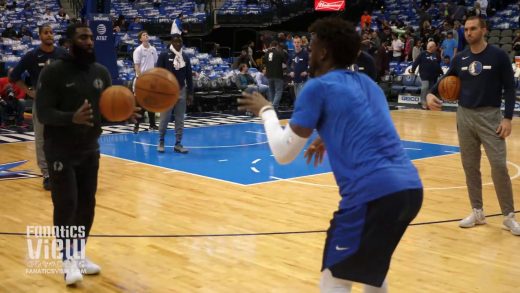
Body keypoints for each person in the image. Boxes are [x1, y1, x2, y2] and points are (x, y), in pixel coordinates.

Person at [238, 17, 423, 293]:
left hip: (372, 194)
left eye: (312, 45)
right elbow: (367, 120)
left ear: (323, 52)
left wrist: (266, 111)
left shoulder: (317, 87)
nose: (309, 51)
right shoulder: (367, 84)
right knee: (371, 273)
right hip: (409, 190)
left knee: (335, 277)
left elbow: (283, 153)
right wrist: (326, 135)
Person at [36, 23, 139, 286]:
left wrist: (123, 113)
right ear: (69, 41)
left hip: (89, 148)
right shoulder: (54, 72)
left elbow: (105, 111)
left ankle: (79, 254)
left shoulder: (101, 72)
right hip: (60, 149)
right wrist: (72, 117)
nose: (90, 41)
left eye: (91, 37)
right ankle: (67, 260)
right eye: (83, 37)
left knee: (87, 205)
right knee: (66, 204)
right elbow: (43, 113)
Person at [427, 16, 520, 236]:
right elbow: (446, 79)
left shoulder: (498, 56)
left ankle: (508, 216)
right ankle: (477, 211)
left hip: (491, 117)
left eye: (473, 28)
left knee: (498, 166)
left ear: (484, 30)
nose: (468, 32)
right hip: (464, 116)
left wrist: (507, 118)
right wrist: (431, 93)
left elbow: (509, 88)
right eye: (466, 29)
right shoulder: (460, 58)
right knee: (470, 167)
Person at [9, 24, 67, 190]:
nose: (49, 35)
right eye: (46, 33)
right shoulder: (32, 56)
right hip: (42, 103)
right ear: (40, 35)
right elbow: (13, 76)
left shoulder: (62, 54)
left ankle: (62, 171)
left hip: (61, 103)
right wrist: (28, 91)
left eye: (51, 32)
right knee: (42, 139)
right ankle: (47, 174)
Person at [156, 34, 193, 154]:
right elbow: (158, 73)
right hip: (167, 92)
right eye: (176, 41)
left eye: (180, 41)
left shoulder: (185, 57)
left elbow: (189, 77)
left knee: (180, 119)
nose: (178, 43)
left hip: (181, 90)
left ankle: (178, 143)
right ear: (171, 42)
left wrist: (190, 93)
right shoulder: (164, 55)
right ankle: (161, 141)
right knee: (164, 118)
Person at [132, 30, 158, 133]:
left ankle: (152, 125)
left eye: (147, 34)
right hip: (141, 80)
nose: (146, 35)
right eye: (144, 35)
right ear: (140, 39)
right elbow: (137, 66)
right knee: (140, 105)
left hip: (151, 80)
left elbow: (155, 64)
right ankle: (136, 126)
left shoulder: (153, 49)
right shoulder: (138, 50)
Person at [409, 41, 443, 110]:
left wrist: (441, 72)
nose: (436, 47)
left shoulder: (436, 54)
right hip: (424, 74)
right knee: (425, 87)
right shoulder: (422, 54)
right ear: (431, 47)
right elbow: (416, 62)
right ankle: (423, 102)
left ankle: (429, 103)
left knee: (431, 89)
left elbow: (437, 65)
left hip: (434, 75)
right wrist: (412, 70)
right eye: (434, 46)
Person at [263, 40, 287, 110]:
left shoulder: (266, 53)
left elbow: (265, 63)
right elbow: (285, 61)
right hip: (278, 75)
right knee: (278, 91)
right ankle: (274, 106)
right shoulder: (279, 52)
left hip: (269, 75)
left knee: (271, 91)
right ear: (277, 46)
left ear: (270, 45)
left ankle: (272, 106)